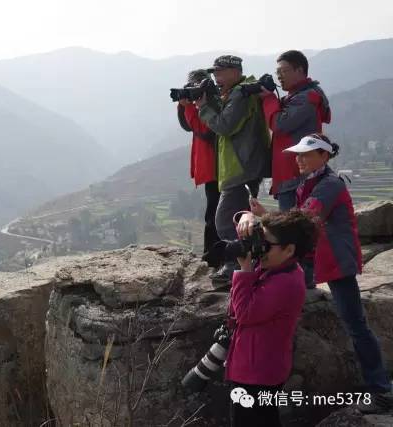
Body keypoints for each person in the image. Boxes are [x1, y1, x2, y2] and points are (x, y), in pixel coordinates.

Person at [238, 133, 393, 412]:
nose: (299, 159)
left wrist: (263, 219)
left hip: (335, 261)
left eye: (306, 155)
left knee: (356, 326)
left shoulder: (329, 185)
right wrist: (266, 215)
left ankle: (380, 389)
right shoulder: (310, 183)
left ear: (324, 156)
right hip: (317, 258)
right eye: (297, 154)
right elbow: (300, 217)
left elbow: (304, 218)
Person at [227, 209, 315, 427]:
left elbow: (245, 313)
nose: (258, 249)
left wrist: (244, 269)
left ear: (289, 250)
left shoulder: (286, 282)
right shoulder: (278, 265)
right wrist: (248, 218)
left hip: (257, 373)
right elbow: (242, 219)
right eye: (259, 239)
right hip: (258, 367)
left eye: (265, 244)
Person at [197, 55, 271, 281]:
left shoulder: (240, 93)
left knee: (226, 219)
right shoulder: (238, 92)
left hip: (241, 167)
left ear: (234, 71)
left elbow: (224, 125)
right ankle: (250, 263)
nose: (216, 77)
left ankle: (235, 267)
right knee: (239, 219)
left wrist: (203, 108)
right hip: (242, 165)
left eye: (219, 72)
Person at [259, 50, 331, 210]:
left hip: (296, 178)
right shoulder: (294, 97)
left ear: (300, 71)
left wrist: (269, 99)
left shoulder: (306, 98)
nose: (279, 76)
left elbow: (280, 125)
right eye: (277, 72)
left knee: (292, 231)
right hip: (289, 176)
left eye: (284, 71)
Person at [176, 69, 220, 266]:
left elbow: (205, 131)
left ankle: (214, 257)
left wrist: (192, 107)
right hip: (211, 166)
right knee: (213, 212)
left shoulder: (213, 103)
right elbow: (187, 126)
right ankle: (212, 255)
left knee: (216, 214)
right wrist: (183, 105)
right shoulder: (201, 104)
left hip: (218, 168)